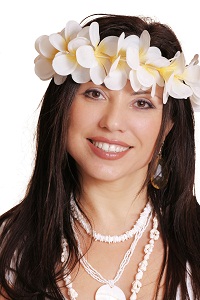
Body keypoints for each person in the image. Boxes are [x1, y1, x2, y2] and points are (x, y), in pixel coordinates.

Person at [0, 13, 200, 300]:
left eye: (142, 102)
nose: (113, 122)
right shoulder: (9, 248)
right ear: (63, 105)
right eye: (95, 93)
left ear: (168, 126)